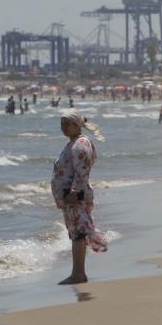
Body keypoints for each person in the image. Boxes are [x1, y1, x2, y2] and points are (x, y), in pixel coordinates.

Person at [51, 110, 108, 285]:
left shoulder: (81, 143)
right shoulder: (72, 143)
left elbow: (82, 170)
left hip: (75, 196)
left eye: (67, 124)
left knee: (78, 232)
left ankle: (78, 273)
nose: (63, 127)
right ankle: (78, 272)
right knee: (77, 232)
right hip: (70, 197)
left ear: (76, 125)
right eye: (61, 124)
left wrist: (73, 193)